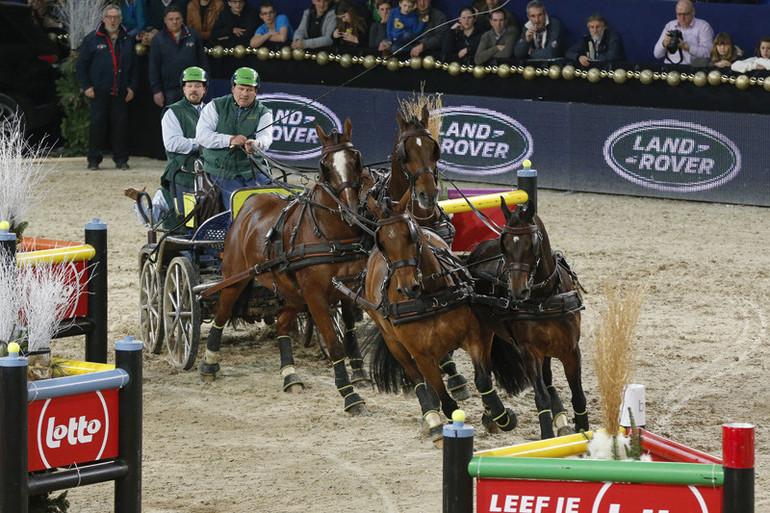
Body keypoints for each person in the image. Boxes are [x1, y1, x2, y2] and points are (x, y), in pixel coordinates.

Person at [125, 66, 210, 229]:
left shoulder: (212, 112)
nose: (193, 89)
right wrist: (203, 143)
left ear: (204, 89)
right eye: (190, 85)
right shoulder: (173, 112)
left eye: (198, 86)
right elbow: (173, 143)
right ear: (183, 88)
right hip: (182, 176)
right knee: (177, 218)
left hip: (209, 177)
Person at [196, 67, 273, 209]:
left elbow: (266, 137)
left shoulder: (263, 112)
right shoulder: (215, 106)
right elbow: (202, 136)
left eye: (249, 89)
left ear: (256, 91)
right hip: (219, 169)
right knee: (239, 204)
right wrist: (230, 140)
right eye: (241, 88)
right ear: (233, 89)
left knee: (273, 199)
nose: (244, 94)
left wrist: (256, 144)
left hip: (252, 170)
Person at [76, 4, 136, 170]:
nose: (113, 20)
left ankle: (121, 159)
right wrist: (86, 86)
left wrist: (132, 87)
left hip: (121, 90)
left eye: (116, 17)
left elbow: (134, 67)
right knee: (97, 126)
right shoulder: (92, 39)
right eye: (109, 17)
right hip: (98, 91)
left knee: (120, 126)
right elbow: (81, 66)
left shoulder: (127, 39)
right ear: (103, 19)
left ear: (120, 19)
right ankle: (94, 160)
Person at [149, 5, 209, 107]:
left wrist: (205, 84)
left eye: (177, 18)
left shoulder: (193, 35)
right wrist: (156, 90)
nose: (175, 22)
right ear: (165, 20)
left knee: (194, 120)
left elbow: (203, 61)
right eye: (171, 19)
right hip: (169, 89)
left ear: (182, 19)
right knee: (173, 120)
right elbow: (153, 67)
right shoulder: (158, 39)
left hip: (192, 87)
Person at [653, 0, 714, 66]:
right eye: (679, 14)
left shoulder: (703, 26)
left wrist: (687, 47)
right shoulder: (670, 25)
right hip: (670, 68)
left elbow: (708, 53)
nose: (682, 18)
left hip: (694, 69)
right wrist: (664, 44)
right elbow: (657, 54)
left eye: (685, 14)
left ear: (693, 12)